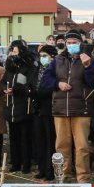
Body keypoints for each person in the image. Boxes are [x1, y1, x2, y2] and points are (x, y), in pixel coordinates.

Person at [40, 30, 94, 182]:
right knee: (61, 146)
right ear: (65, 44)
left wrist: (87, 66)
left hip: (81, 109)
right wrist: (57, 83)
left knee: (82, 147)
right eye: (69, 43)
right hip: (60, 109)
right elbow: (45, 80)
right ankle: (64, 175)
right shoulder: (58, 60)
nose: (72, 45)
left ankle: (83, 177)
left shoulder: (89, 59)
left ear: (80, 43)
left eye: (75, 42)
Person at [1, 39, 37, 174]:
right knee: (13, 138)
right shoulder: (9, 66)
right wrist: (5, 88)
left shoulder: (29, 66)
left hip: (24, 107)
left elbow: (31, 85)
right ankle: (15, 163)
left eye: (15, 51)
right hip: (11, 107)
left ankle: (26, 164)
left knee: (25, 139)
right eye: (12, 51)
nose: (13, 54)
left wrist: (16, 90)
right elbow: (3, 81)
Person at [32, 44, 59, 179]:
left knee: (50, 141)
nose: (42, 58)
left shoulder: (55, 70)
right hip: (37, 109)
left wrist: (38, 93)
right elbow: (31, 85)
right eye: (41, 56)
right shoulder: (37, 69)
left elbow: (51, 88)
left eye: (45, 56)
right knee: (39, 140)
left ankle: (50, 170)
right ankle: (41, 169)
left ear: (52, 57)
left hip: (50, 109)